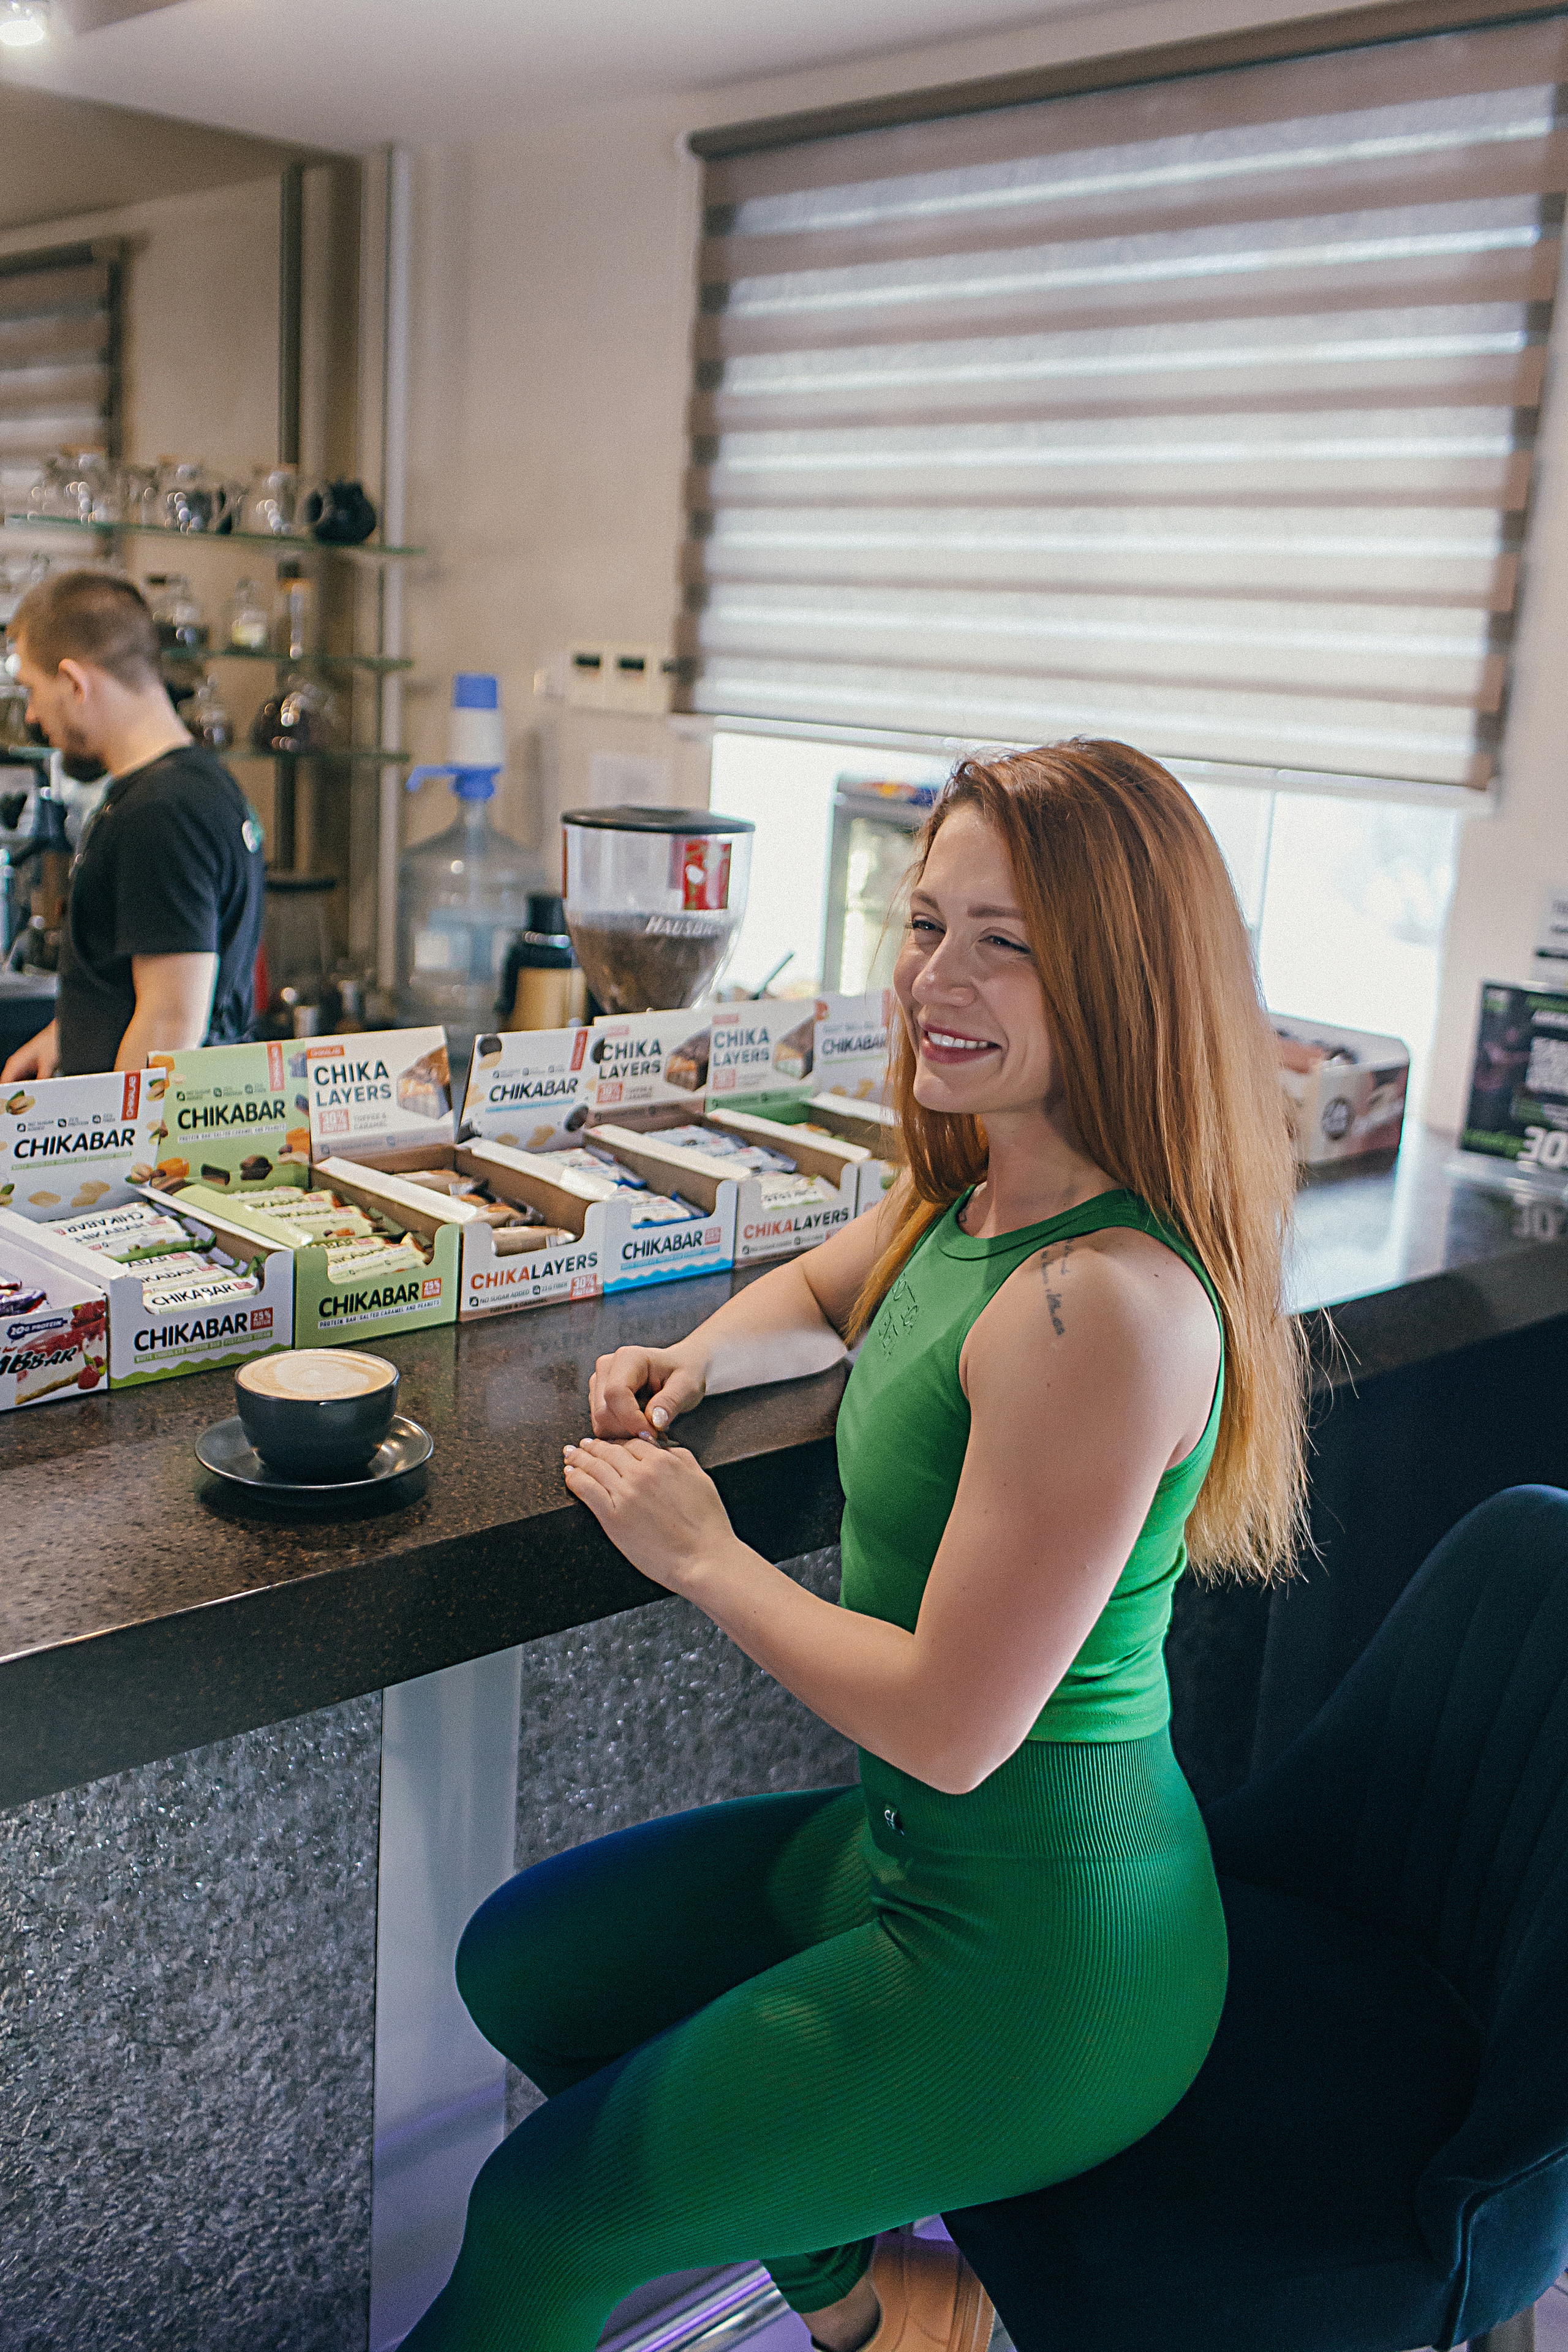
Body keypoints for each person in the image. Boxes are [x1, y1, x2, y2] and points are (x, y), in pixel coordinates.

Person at [402, 741, 1308, 2352]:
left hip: (1050, 1951)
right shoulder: (980, 1193)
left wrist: (707, 1557)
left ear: (1125, 973)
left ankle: (882, 2300)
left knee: (543, 2213)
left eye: (1006, 940)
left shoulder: (1100, 1303)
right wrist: (699, 1362)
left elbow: (956, 1730)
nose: (933, 979)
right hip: (919, 1857)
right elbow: (832, 1289)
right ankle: (882, 2308)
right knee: (533, 1969)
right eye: (923, 922)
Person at [2, 569, 264, 1079]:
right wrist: (68, 1033)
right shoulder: (193, 784)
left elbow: (171, 1024)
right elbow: (145, 973)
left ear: (75, 683)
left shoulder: (161, 813)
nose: (35, 715)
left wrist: (123, 1153)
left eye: (34, 690)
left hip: (145, 1150)